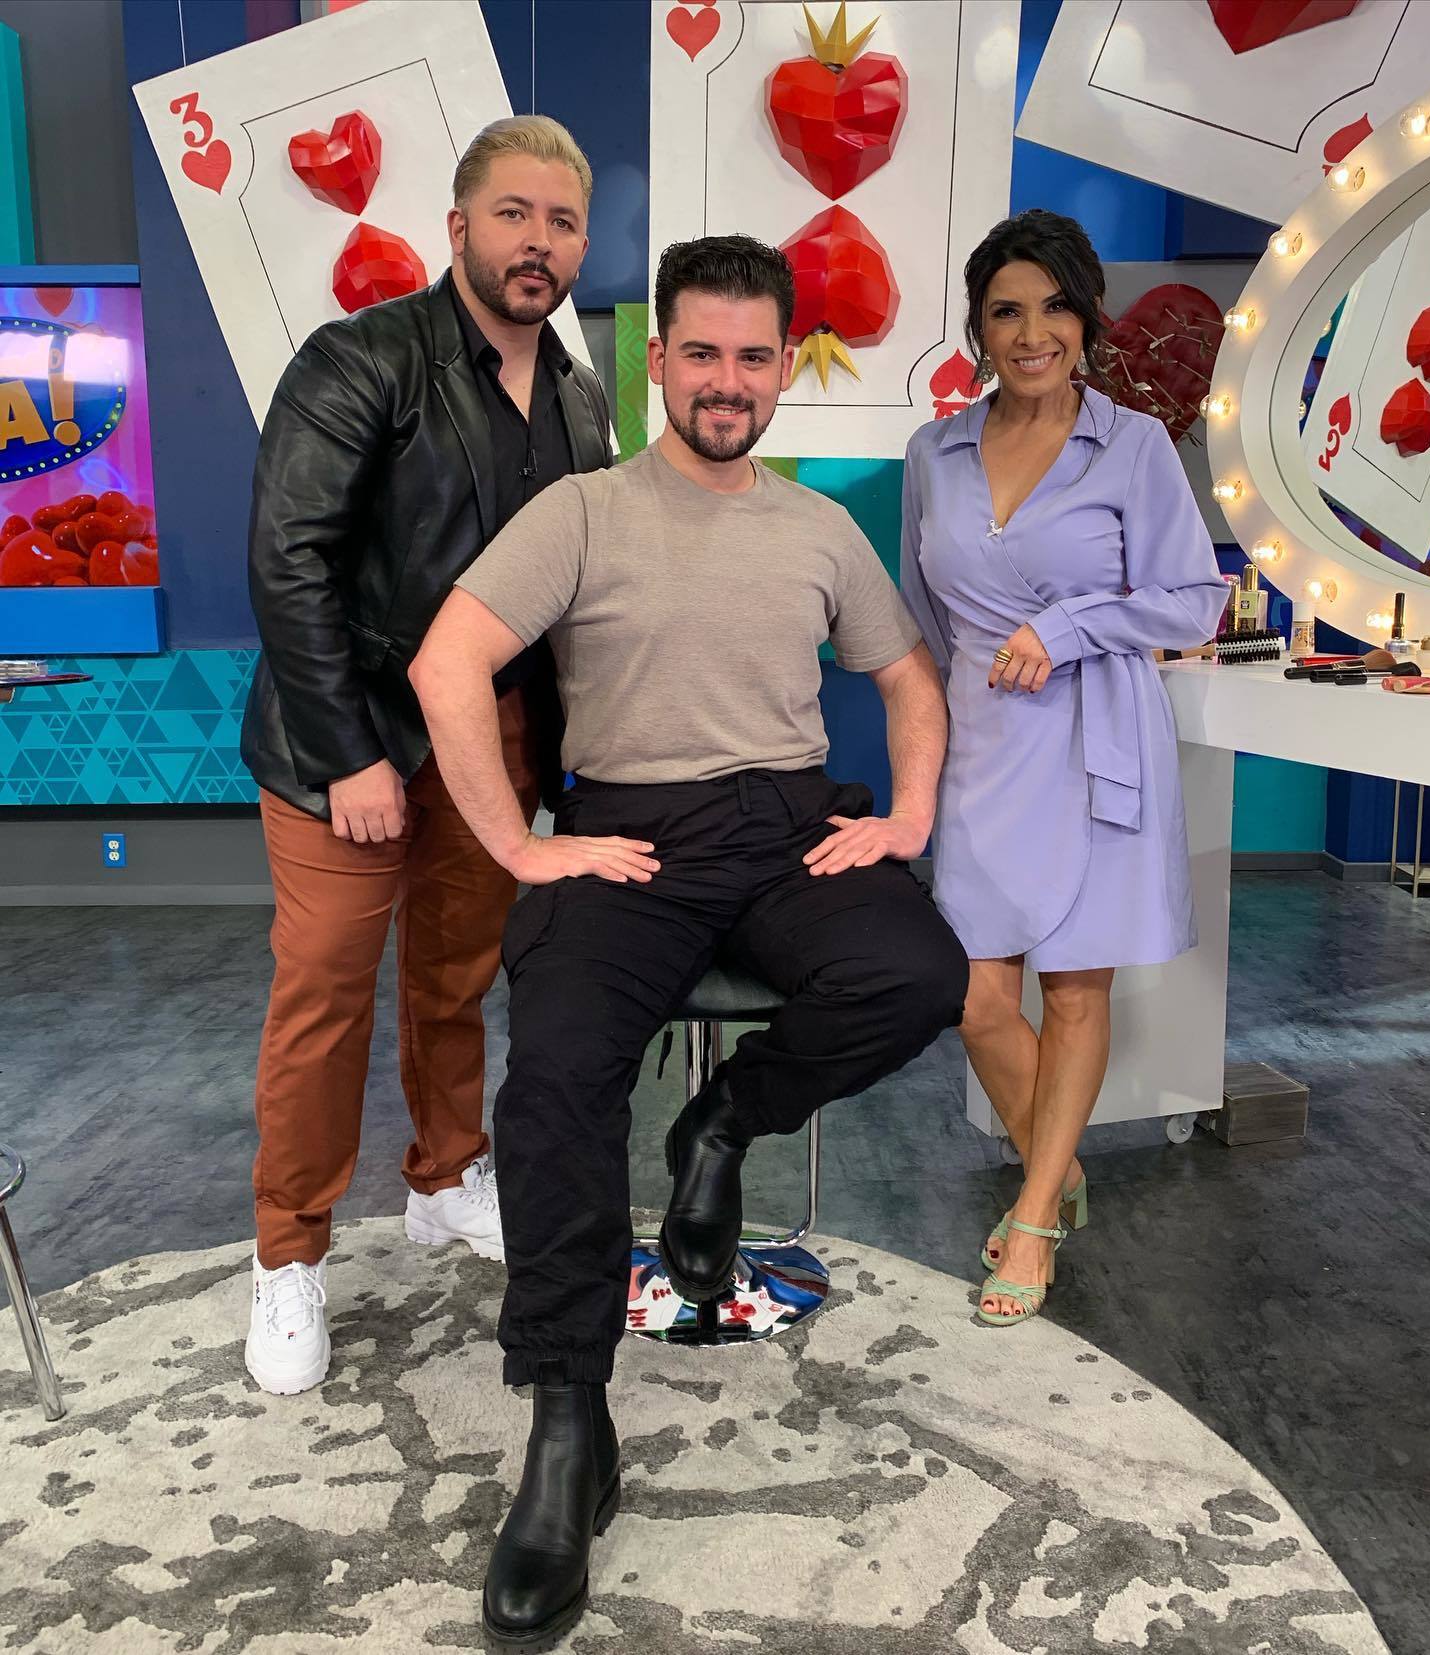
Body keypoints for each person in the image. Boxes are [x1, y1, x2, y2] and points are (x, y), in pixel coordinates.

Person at [409, 233, 970, 1649]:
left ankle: (722, 1122)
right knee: (553, 1082)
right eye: (703, 352)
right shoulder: (584, 510)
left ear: (785, 369)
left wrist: (908, 814)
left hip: (784, 825)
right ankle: (568, 1424)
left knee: (919, 973)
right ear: (658, 359)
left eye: (754, 356)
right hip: (631, 838)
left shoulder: (819, 529)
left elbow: (908, 675)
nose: (728, 380)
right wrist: (522, 845)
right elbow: (446, 660)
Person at [239, 116, 612, 1398]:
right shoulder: (360, 359)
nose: (537, 242)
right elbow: (286, 560)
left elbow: (572, 588)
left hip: (490, 743)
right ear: (458, 227)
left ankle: (446, 1177)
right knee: (326, 995)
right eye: (514, 214)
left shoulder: (579, 393)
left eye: (562, 221)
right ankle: (288, 1251)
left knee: (456, 976)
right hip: (343, 734)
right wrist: (348, 751)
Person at [901, 209, 1228, 1328]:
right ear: (979, 326)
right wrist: (921, 752)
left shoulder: (1133, 446)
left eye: (1054, 308)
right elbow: (922, 616)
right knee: (972, 991)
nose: (1031, 333)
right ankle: (1061, 1160)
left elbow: (1194, 598)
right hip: (982, 746)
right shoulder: (934, 453)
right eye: (1007, 311)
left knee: (1075, 986)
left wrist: (1074, 623)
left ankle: (1037, 1213)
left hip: (1094, 739)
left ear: (1086, 319)